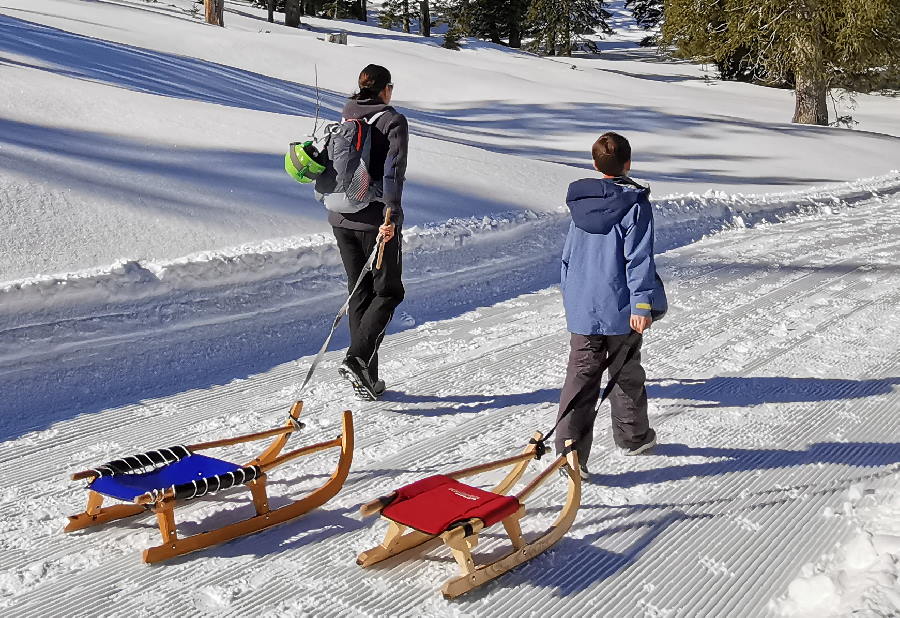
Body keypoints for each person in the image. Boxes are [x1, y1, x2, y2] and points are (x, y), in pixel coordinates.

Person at [555, 132, 667, 479]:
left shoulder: (581, 202)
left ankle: (570, 454)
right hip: (620, 306)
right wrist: (643, 305)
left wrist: (572, 297)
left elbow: (570, 255)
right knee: (624, 372)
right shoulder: (634, 204)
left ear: (594, 164)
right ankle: (632, 437)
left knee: (580, 376)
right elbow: (638, 259)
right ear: (628, 163)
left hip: (584, 304)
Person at [331, 64, 408, 400]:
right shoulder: (393, 120)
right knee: (389, 292)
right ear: (384, 89)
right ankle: (358, 358)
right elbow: (394, 169)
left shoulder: (348, 113)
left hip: (339, 217)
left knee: (359, 294)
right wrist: (390, 214)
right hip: (374, 220)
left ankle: (366, 378)